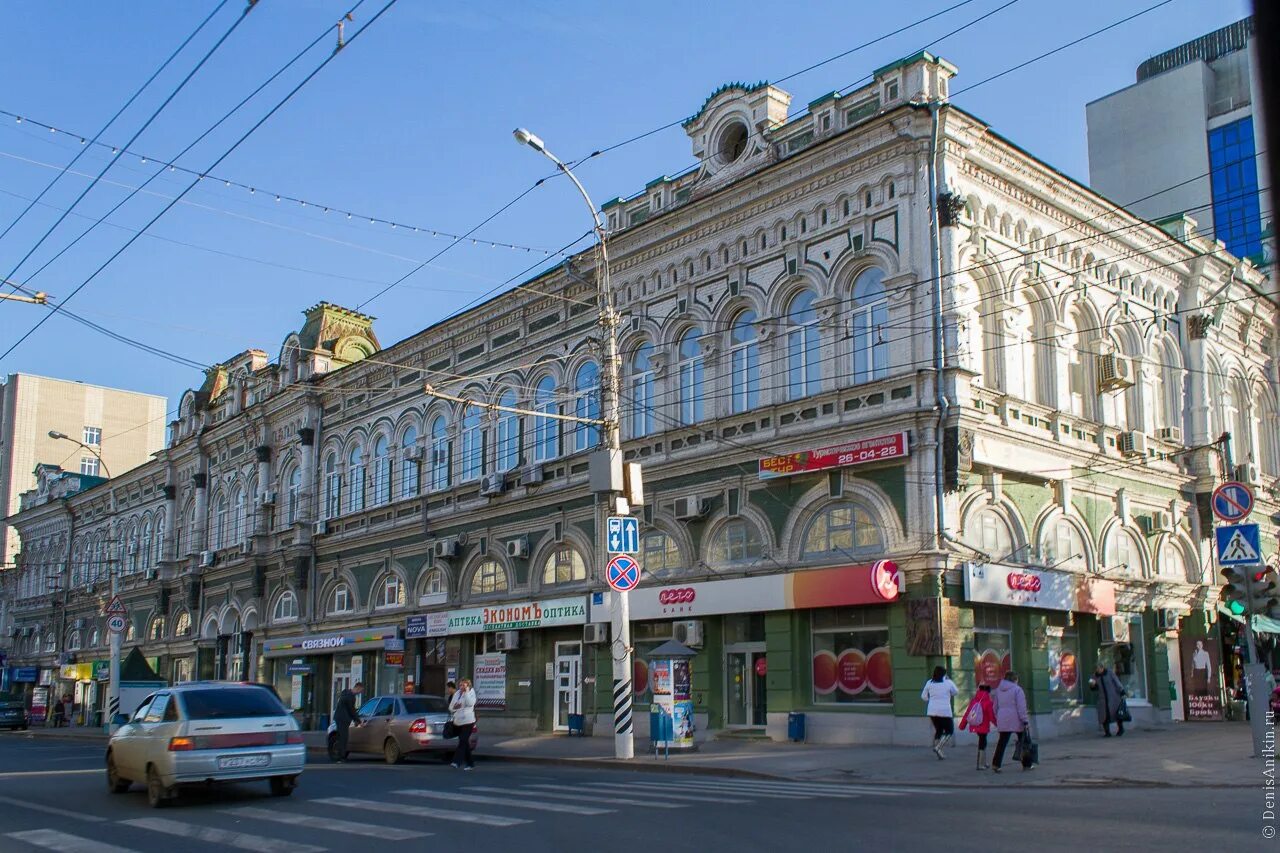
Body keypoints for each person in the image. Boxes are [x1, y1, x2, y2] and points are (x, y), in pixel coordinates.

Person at [989, 671, 1029, 774]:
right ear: (1015, 679)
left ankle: (996, 764)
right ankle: (1027, 764)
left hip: (1003, 718)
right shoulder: (1017, 690)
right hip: (1016, 719)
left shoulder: (999, 690)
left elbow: (995, 707)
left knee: (1002, 742)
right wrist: (1025, 720)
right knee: (1024, 742)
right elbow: (1021, 707)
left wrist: (999, 716)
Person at [920, 666, 958, 760]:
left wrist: (932, 700)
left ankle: (939, 753)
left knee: (939, 730)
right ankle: (938, 747)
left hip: (932, 710)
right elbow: (955, 692)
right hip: (945, 711)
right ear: (944, 674)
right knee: (949, 731)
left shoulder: (929, 682)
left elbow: (923, 697)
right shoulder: (948, 682)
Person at [959, 683, 995, 770]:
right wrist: (998, 724)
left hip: (975, 724)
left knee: (983, 741)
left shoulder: (974, 700)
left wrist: (962, 725)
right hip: (983, 725)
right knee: (983, 742)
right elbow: (992, 716)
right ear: (988, 692)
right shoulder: (988, 702)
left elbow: (968, 713)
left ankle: (983, 762)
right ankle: (980, 764)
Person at [1089, 664, 1126, 737]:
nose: (1098, 670)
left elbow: (1116, 681)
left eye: (1099, 669)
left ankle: (1121, 729)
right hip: (1102, 699)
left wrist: (1122, 690)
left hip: (1113, 697)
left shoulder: (1109, 673)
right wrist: (1092, 685)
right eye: (1096, 669)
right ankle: (1107, 732)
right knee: (1103, 715)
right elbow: (1093, 688)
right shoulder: (1094, 676)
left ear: (1102, 668)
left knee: (1117, 714)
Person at [333, 681, 364, 762]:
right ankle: (341, 757)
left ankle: (339, 756)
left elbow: (350, 710)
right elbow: (351, 710)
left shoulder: (345, 692)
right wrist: (358, 721)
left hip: (338, 718)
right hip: (343, 719)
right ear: (358, 688)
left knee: (341, 737)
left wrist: (355, 719)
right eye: (360, 691)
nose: (360, 693)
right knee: (344, 738)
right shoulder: (351, 697)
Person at [449, 677, 477, 770]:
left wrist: (466, 692)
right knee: (465, 742)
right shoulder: (457, 693)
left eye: (463, 685)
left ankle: (456, 762)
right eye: (460, 685)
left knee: (462, 740)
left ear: (468, 685)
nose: (461, 687)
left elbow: (470, 703)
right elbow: (451, 707)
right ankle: (470, 763)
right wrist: (455, 707)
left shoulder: (471, 692)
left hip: (468, 721)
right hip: (458, 721)